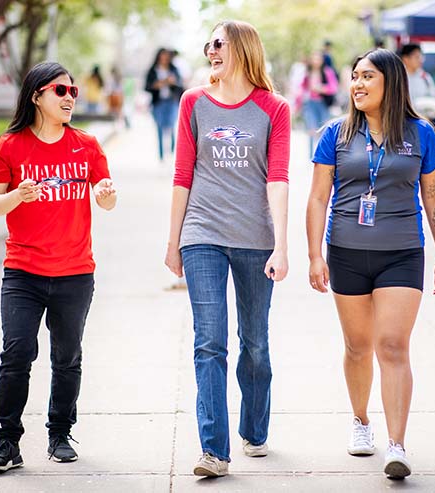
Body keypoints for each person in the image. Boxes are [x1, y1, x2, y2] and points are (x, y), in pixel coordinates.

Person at [306, 48, 435, 480]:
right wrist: (315, 254)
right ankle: (361, 422)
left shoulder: (421, 134)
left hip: (403, 252)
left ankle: (397, 443)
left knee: (392, 345)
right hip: (346, 252)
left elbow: (434, 196)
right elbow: (317, 197)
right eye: (354, 77)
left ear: (391, 82)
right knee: (357, 346)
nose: (357, 85)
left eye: (367, 76)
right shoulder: (335, 133)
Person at [165, 20, 290, 478]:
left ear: (242, 47)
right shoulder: (193, 102)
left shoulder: (273, 108)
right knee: (209, 341)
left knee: (254, 343)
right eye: (208, 44)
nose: (211, 51)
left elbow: (277, 177)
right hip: (203, 233)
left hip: (256, 238)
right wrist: (174, 239)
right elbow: (183, 174)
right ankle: (214, 450)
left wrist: (282, 244)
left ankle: (254, 430)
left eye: (219, 43)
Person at [0, 61, 117, 472]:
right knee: (17, 352)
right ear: (37, 94)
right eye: (61, 91)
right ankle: (8, 442)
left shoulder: (87, 145)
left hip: (75, 272)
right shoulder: (10, 146)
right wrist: (18, 196)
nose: (70, 97)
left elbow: (105, 200)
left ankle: (59, 433)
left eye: (73, 91)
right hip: (23, 272)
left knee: (66, 356)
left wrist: (107, 193)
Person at [145, 48, 184, 162]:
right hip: (158, 102)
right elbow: (147, 86)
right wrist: (160, 83)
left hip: (171, 101)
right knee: (160, 127)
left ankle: (172, 151)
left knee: (171, 125)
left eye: (166, 56)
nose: (164, 59)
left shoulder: (174, 69)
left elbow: (180, 85)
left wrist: (172, 82)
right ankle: (161, 154)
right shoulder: (153, 70)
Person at [300, 51, 339, 156]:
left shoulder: (327, 72)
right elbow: (302, 88)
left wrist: (322, 88)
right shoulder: (307, 73)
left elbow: (334, 87)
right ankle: (311, 155)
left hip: (323, 103)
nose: (316, 61)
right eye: (314, 58)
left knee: (323, 129)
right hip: (310, 103)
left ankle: (323, 154)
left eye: (318, 59)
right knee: (311, 129)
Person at [399, 43, 435, 121]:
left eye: (421, 56)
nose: (421, 60)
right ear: (406, 59)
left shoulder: (425, 77)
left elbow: (434, 98)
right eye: (417, 57)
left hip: (422, 122)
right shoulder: (398, 78)